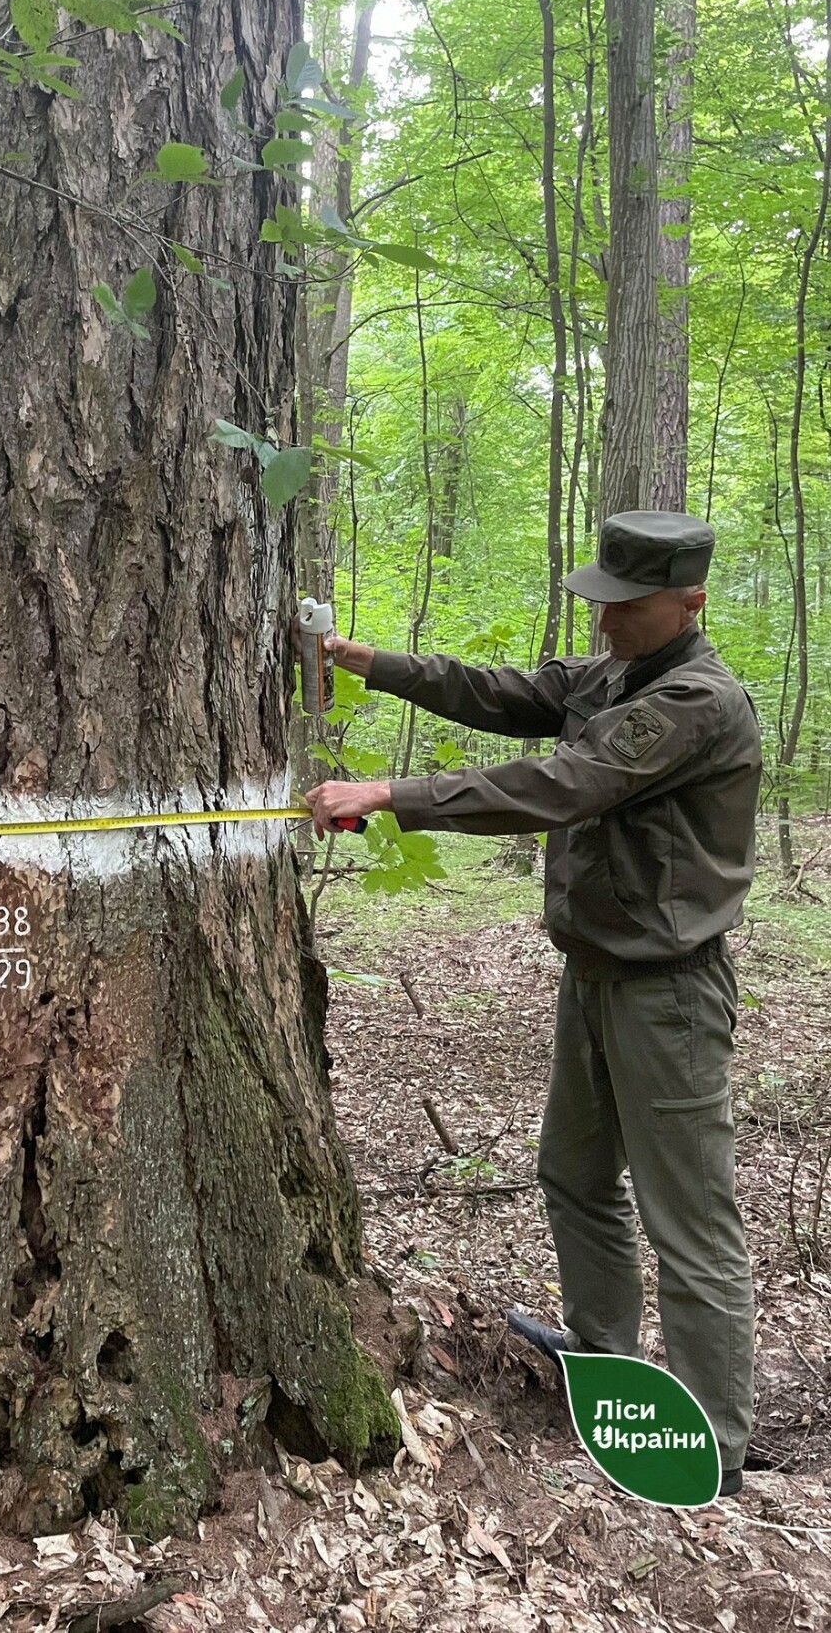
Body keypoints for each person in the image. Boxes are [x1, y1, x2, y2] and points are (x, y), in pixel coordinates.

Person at [305, 511, 760, 1498]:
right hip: (594, 971)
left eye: (624, 608)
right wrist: (364, 658)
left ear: (686, 603)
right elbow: (499, 693)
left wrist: (390, 793)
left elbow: (563, 782)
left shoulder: (695, 700)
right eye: (598, 603)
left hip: (668, 991)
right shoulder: (609, 675)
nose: (603, 624)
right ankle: (602, 1358)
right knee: (573, 1174)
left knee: (688, 1218)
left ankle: (714, 1440)